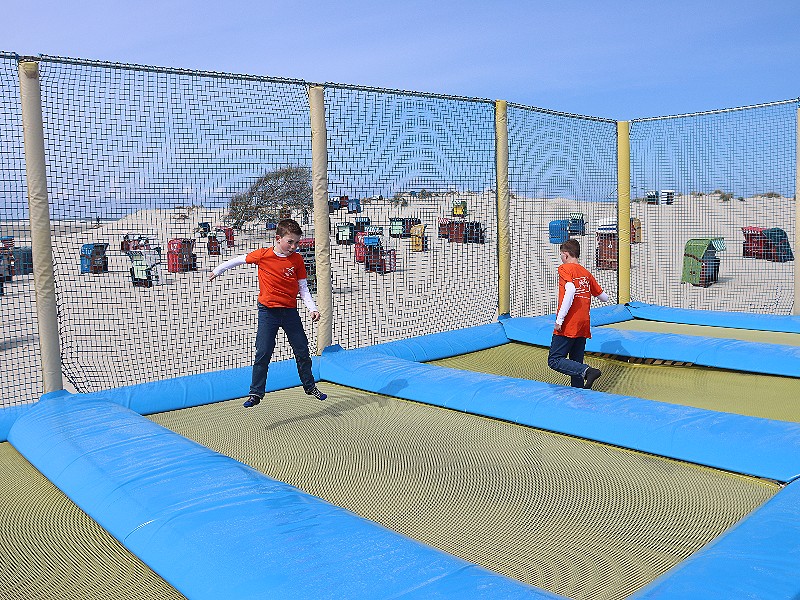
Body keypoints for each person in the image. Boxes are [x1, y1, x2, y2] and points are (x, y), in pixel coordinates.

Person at [208, 219, 327, 407]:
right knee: (263, 352)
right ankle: (255, 393)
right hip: (268, 312)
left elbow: (302, 288)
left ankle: (309, 385)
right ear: (278, 238)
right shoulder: (263, 255)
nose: (294, 246)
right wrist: (217, 270)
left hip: (289, 312)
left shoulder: (297, 259)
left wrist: (312, 308)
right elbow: (239, 259)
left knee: (302, 349)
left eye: (297, 242)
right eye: (290, 242)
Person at [547, 238, 610, 389]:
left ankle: (588, 371)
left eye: (561, 255)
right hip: (583, 323)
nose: (561, 259)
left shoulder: (564, 269)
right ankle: (580, 393)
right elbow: (604, 297)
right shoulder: (586, 273)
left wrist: (560, 320)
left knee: (554, 360)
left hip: (569, 322)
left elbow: (570, 290)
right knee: (575, 361)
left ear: (566, 255)